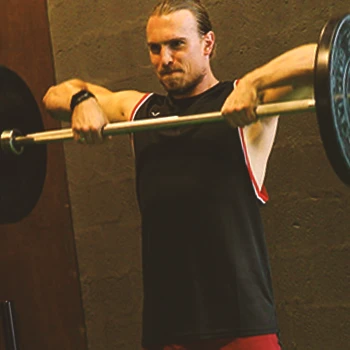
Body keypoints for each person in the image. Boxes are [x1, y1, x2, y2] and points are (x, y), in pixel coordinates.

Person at [43, 1, 316, 349]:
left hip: (241, 325)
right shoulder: (138, 110)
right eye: (155, 48)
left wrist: (254, 82)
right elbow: (54, 96)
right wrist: (82, 100)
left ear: (208, 44)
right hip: (166, 328)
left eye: (177, 44)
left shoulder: (248, 105)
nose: (165, 59)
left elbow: (319, 59)